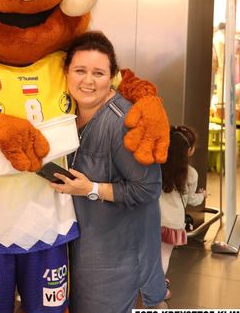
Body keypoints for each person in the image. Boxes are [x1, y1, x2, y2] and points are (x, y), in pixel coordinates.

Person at [49, 31, 167, 312]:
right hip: (86, 255)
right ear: (66, 72)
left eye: (98, 73)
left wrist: (91, 189)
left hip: (122, 269)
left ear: (112, 76)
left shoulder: (124, 121)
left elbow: (148, 188)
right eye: (80, 71)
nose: (88, 81)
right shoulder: (66, 113)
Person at [159, 125, 206, 299]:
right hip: (172, 222)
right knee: (164, 255)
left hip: (152, 218)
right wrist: (202, 196)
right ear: (189, 150)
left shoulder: (157, 166)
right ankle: (158, 289)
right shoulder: (191, 174)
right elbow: (191, 200)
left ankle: (145, 282)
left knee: (149, 254)